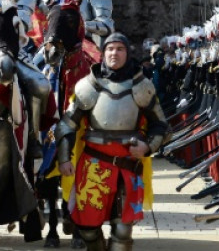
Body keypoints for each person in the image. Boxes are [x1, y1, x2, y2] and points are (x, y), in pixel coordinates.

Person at [56, 32, 170, 251]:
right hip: (93, 166)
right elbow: (66, 125)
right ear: (103, 53)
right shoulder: (87, 86)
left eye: (119, 49)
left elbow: (162, 126)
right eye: (109, 49)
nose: (114, 53)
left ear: (127, 53)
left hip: (128, 165)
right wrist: (64, 158)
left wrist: (147, 147)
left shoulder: (142, 86)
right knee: (88, 229)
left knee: (122, 232)